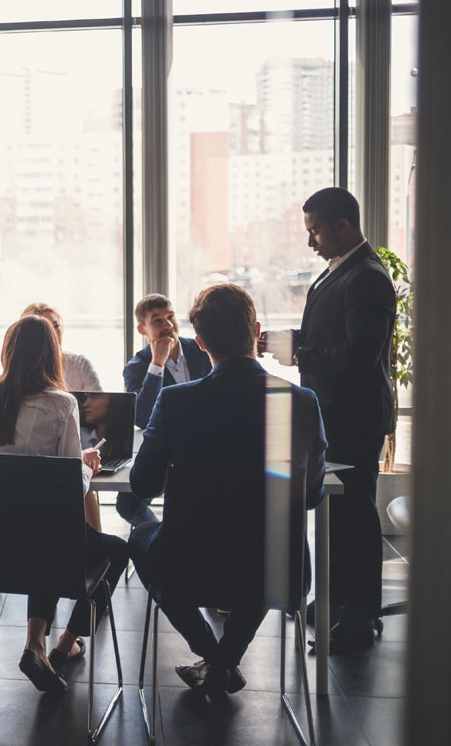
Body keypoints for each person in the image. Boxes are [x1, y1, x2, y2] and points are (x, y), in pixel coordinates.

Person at [129, 284, 326, 698]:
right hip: (279, 569)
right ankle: (226, 659)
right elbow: (310, 497)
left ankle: (213, 654)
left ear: (200, 342)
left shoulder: (176, 402)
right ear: (256, 330)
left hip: (191, 564)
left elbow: (141, 485)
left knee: (142, 538)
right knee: (265, 546)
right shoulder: (300, 401)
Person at [261, 187, 396, 653]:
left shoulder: (368, 277)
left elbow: (360, 356)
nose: (310, 241)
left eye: (316, 230)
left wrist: (301, 353)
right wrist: (289, 340)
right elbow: (331, 333)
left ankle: (360, 617)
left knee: (356, 516)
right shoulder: (340, 270)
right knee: (337, 514)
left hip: (355, 418)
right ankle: (337, 601)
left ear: (343, 225)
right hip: (334, 414)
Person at [0, 316, 129, 693]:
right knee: (113, 551)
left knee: (47, 536)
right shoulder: (61, 403)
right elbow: (71, 488)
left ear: (8, 350)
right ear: (51, 355)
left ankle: (36, 645)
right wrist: (85, 465)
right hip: (49, 546)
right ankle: (65, 643)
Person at [117, 293, 211, 527]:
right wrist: (157, 364)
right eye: (157, 320)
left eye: (171, 317)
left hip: (205, 447)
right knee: (128, 504)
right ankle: (161, 535)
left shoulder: (202, 350)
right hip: (164, 450)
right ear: (142, 329)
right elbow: (141, 418)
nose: (168, 325)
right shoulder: (136, 367)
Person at [21, 302, 104, 530]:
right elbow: (72, 477)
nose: (52, 333)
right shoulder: (62, 401)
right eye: (44, 328)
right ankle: (88, 542)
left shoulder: (79, 364)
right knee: (78, 478)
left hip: (81, 439)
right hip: (49, 456)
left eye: (56, 325)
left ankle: (90, 538)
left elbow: (99, 405)